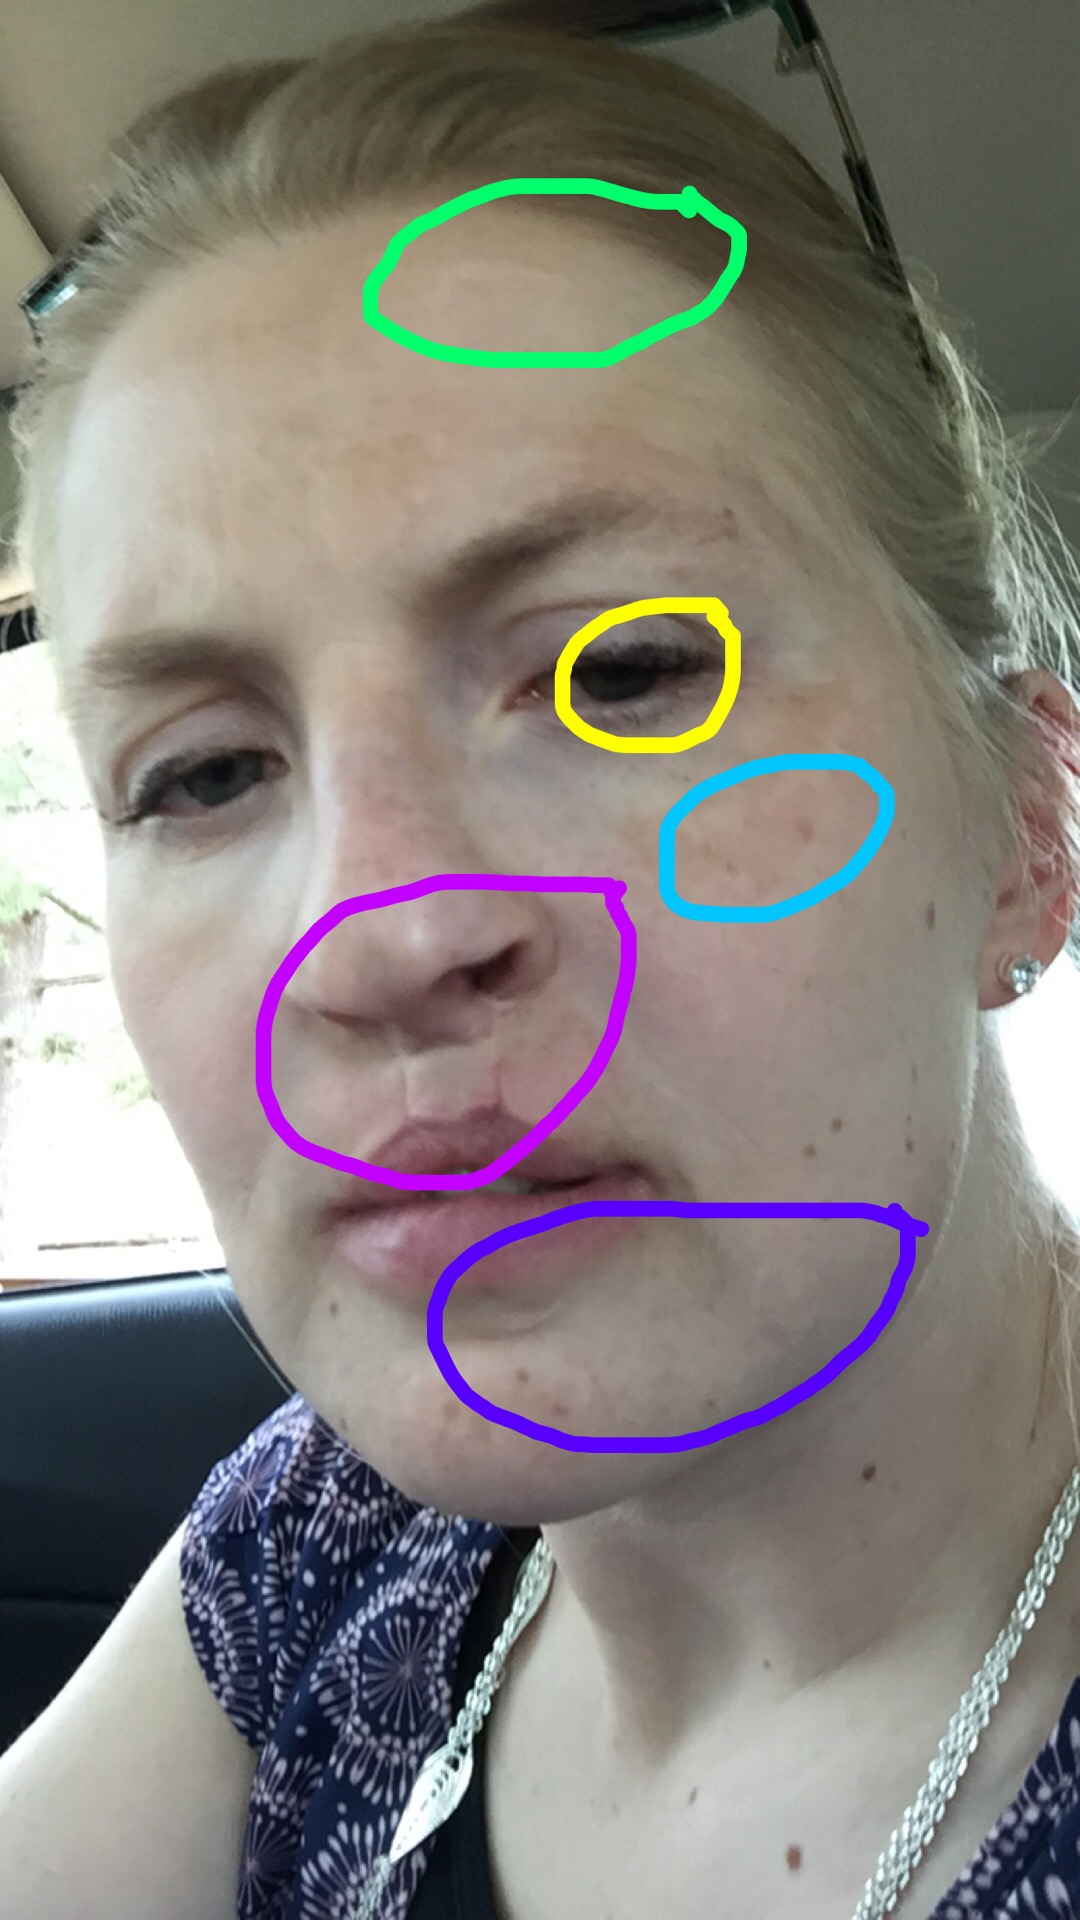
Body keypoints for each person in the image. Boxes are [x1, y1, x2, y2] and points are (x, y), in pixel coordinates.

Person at [4, 13, 1080, 1919]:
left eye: (623, 671)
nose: (379, 939)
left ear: (1022, 828)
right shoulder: (322, 1543)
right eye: (207, 774)